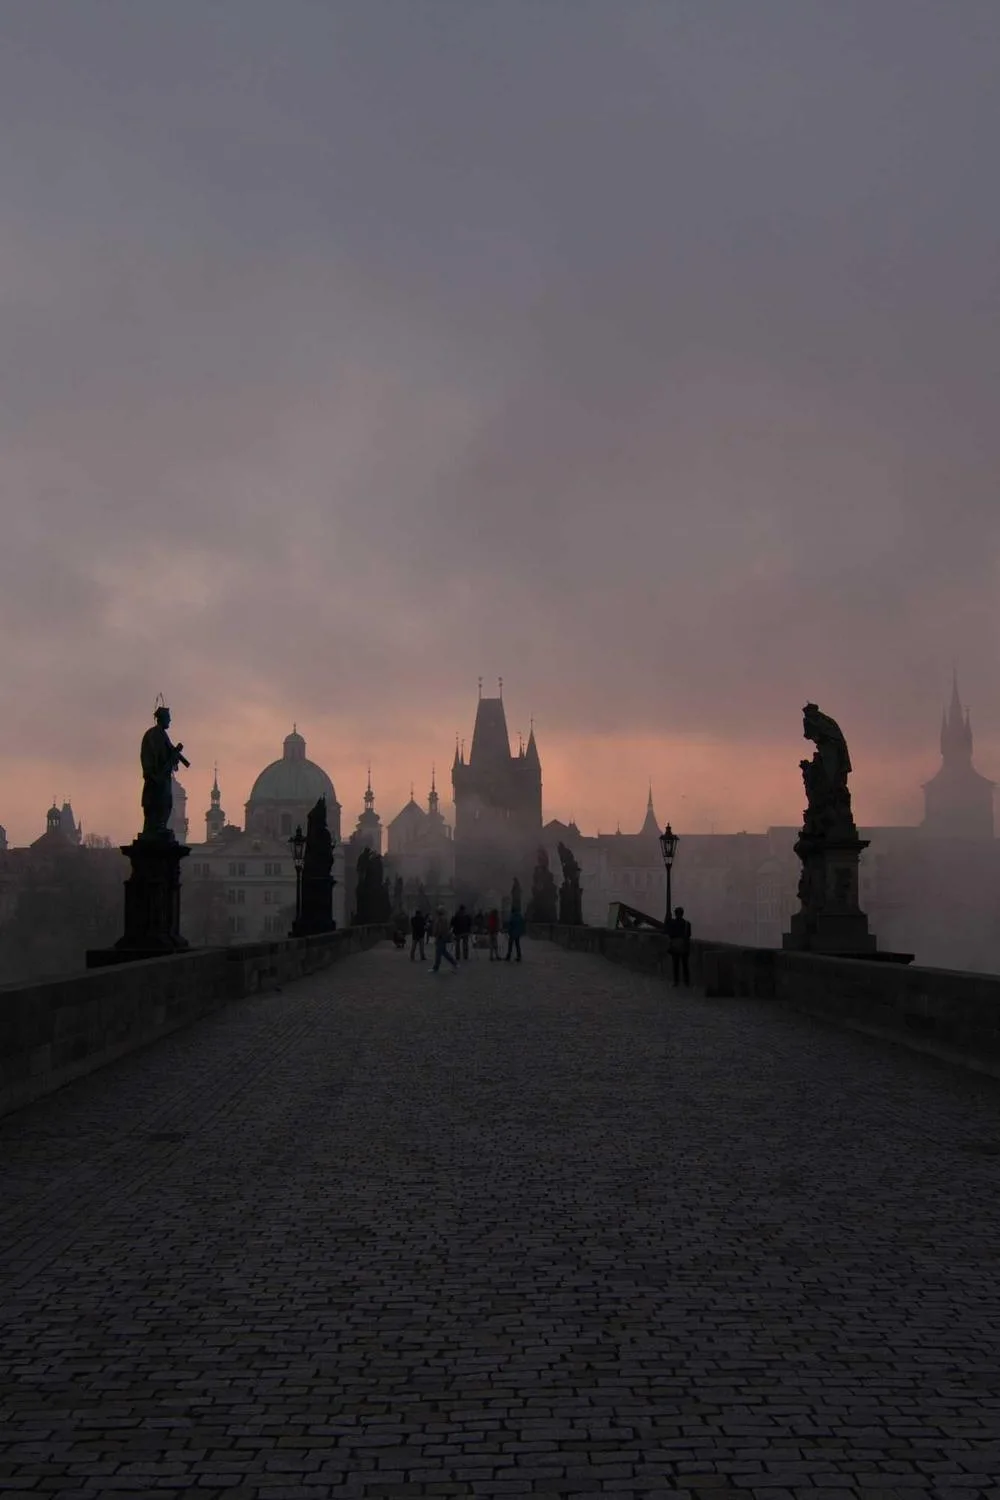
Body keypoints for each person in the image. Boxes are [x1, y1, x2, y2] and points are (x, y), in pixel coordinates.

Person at [666, 905, 692, 987]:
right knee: (685, 965)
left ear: (675, 914)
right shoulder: (687, 924)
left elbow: (669, 933)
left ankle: (676, 981)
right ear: (682, 914)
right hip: (684, 946)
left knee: (675, 965)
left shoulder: (672, 923)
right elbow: (688, 935)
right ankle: (686, 982)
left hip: (675, 946)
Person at [430, 905, 457, 973]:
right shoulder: (444, 919)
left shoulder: (440, 919)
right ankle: (454, 963)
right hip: (443, 937)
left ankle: (436, 967)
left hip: (440, 937)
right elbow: (446, 929)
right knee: (444, 952)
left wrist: (435, 934)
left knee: (439, 953)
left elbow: (439, 929)